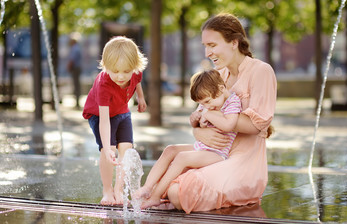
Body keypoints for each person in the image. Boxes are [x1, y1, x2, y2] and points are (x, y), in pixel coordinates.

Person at [162, 13, 277, 214]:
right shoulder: (219, 75)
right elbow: (199, 116)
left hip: (244, 164)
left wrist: (216, 118)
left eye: (212, 45)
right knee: (170, 166)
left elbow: (256, 124)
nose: (207, 52)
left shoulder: (261, 71)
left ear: (234, 42)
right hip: (216, 154)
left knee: (176, 192)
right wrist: (199, 132)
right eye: (205, 46)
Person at [135, 69, 242, 209]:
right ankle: (148, 187)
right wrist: (196, 119)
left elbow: (229, 125)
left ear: (221, 89)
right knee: (170, 150)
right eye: (203, 103)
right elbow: (195, 120)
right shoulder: (208, 101)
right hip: (202, 148)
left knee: (182, 158)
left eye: (207, 102)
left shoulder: (232, 102)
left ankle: (155, 196)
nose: (207, 105)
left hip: (217, 154)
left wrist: (207, 114)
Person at [82, 36, 148, 205]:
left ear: (134, 67)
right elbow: (104, 120)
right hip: (99, 114)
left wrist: (140, 98)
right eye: (115, 71)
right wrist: (106, 148)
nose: (120, 76)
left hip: (122, 110)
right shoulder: (103, 84)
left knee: (126, 147)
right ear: (106, 66)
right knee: (109, 149)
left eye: (126, 71)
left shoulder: (134, 72)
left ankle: (118, 189)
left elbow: (137, 80)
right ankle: (107, 190)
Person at [67, 34, 82, 108]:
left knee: (76, 85)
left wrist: (69, 67)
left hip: (75, 68)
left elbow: (72, 60)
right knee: (76, 85)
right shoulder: (77, 48)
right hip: (77, 68)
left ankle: (77, 102)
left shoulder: (74, 49)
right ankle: (77, 101)